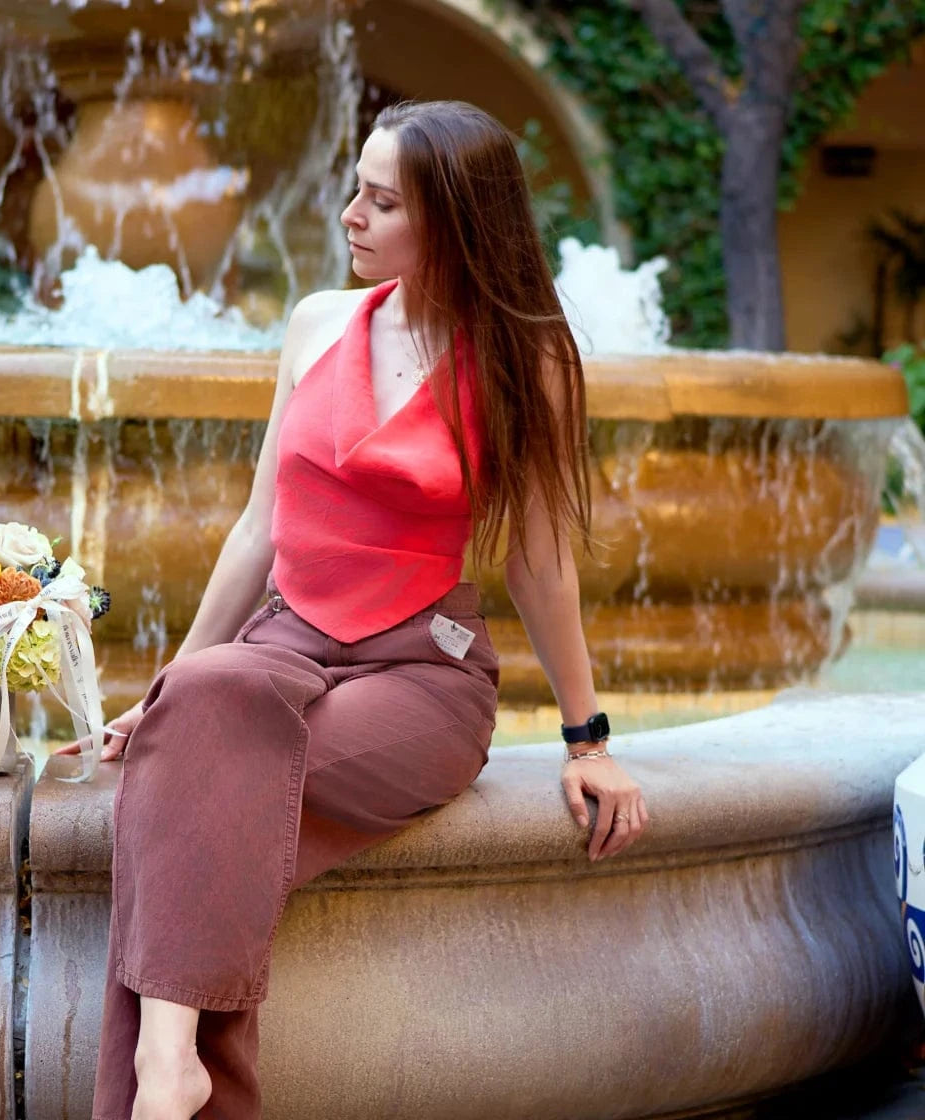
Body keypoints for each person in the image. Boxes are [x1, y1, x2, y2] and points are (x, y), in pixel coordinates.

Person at [59, 99, 649, 1120]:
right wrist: (166, 688)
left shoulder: (528, 357)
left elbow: (541, 567)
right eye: (355, 192)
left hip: (421, 671)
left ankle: (162, 1078)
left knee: (197, 787)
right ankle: (172, 1069)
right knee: (201, 712)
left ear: (455, 223)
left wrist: (584, 737)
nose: (350, 216)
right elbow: (257, 531)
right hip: (278, 646)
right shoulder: (317, 323)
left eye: (382, 203)